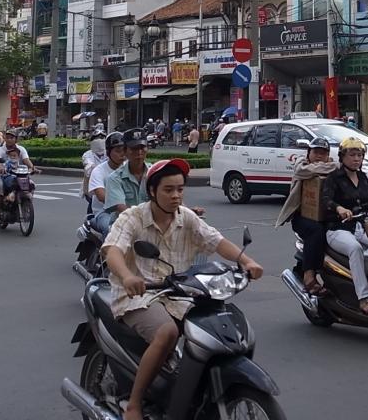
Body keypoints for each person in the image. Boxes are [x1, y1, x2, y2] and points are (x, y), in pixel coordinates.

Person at [102, 158, 264, 420]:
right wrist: (127, 276)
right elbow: (113, 251)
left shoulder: (186, 217)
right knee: (166, 332)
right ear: (152, 191)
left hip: (180, 294)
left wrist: (246, 261)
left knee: (216, 329)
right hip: (140, 296)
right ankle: (134, 403)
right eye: (168, 190)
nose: (176, 196)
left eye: (180, 189)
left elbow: (216, 241)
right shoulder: (133, 217)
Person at [320, 137, 368, 315]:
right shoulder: (334, 178)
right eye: (352, 155)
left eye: (359, 155)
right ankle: (364, 298)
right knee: (355, 249)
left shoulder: (363, 177)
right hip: (338, 229)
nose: (356, 159)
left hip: (360, 227)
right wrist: (339, 208)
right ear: (342, 157)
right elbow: (326, 199)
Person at [276, 137, 339, 294]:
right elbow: (302, 171)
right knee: (316, 231)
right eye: (316, 152)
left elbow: (337, 167)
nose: (319, 156)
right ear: (308, 153)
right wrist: (324, 167)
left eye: (323, 153)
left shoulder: (334, 166)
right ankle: (309, 276)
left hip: (327, 215)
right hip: (301, 217)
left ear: (328, 155)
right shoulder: (301, 163)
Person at [0, 128, 37, 221]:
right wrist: (1, 168)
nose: (9, 140)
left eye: (12, 138)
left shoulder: (21, 149)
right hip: (3, 175)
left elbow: (26, 160)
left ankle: (26, 204)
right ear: (5, 139)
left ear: (16, 139)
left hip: (19, 175)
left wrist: (33, 168)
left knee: (32, 184)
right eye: (7, 137)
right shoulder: (0, 150)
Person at [104, 128, 151, 218]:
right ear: (125, 151)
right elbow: (121, 208)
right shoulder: (115, 178)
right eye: (134, 148)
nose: (139, 152)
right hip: (124, 223)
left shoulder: (155, 174)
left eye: (142, 148)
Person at [90, 132, 128, 234]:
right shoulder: (98, 171)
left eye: (124, 150)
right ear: (108, 152)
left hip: (129, 211)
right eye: (118, 151)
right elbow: (101, 196)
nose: (122, 154)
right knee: (111, 229)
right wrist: (123, 207)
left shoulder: (129, 169)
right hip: (105, 212)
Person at [82, 127, 108, 215]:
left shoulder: (109, 153)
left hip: (108, 184)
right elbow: (88, 167)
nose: (99, 141)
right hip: (91, 185)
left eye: (102, 138)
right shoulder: (88, 154)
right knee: (92, 204)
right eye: (96, 139)